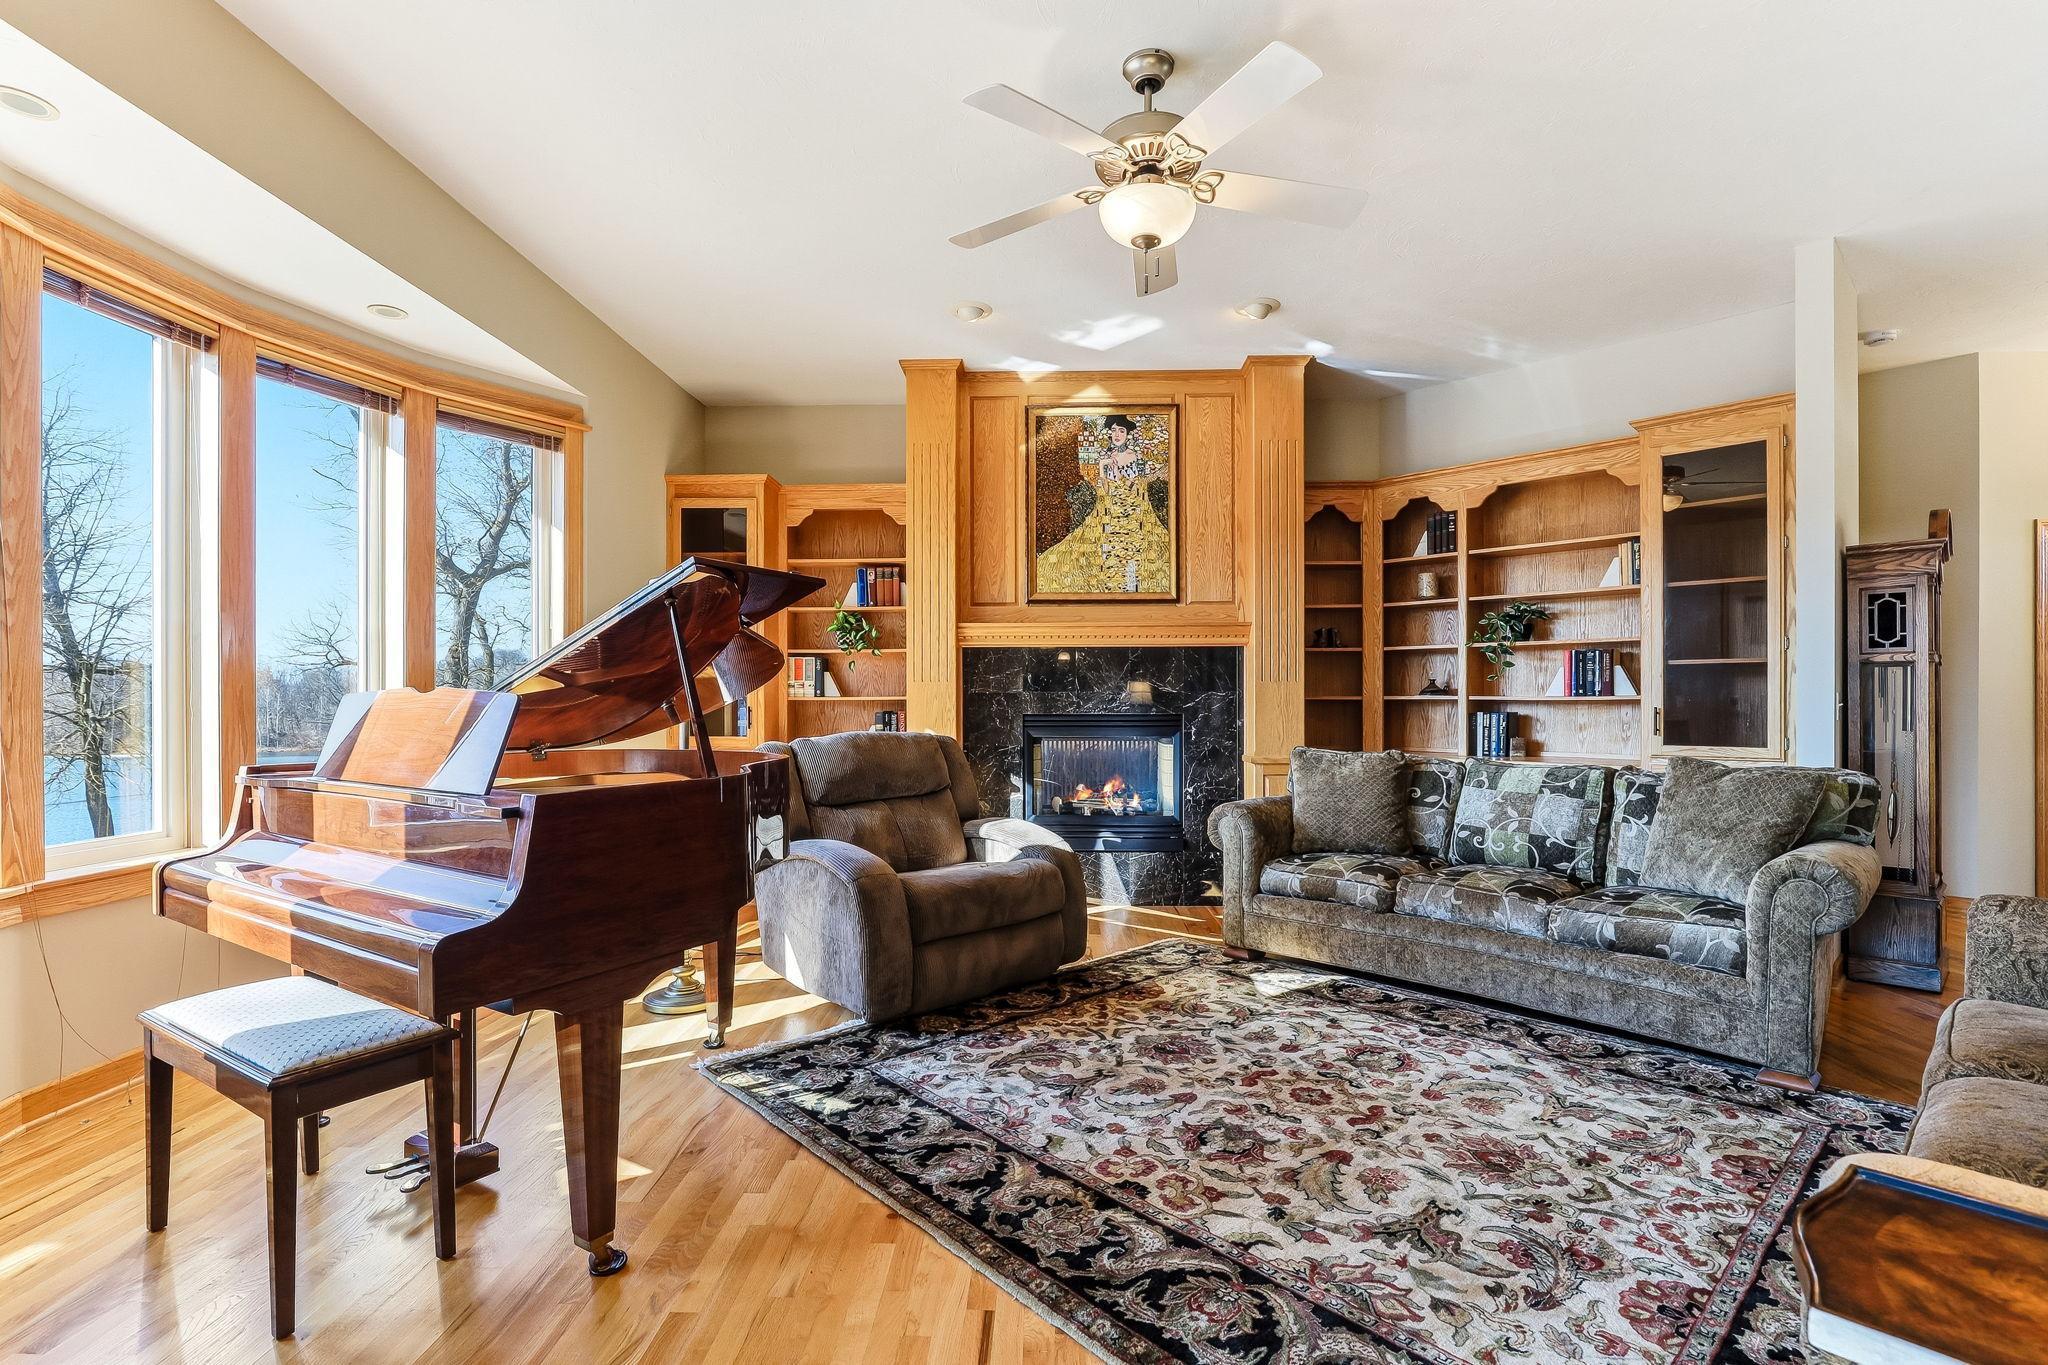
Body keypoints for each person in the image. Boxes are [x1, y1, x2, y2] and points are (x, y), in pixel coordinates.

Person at [1037, 415, 1170, 594]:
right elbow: (1103, 491)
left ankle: (1132, 589)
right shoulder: (1106, 458)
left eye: (1121, 430)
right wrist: (1103, 469)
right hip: (1111, 512)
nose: (1117, 434)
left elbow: (1139, 488)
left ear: (1127, 434)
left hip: (1132, 513)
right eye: (1114, 430)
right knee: (1109, 553)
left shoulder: (1136, 457)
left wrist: (1120, 477)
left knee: (1134, 554)